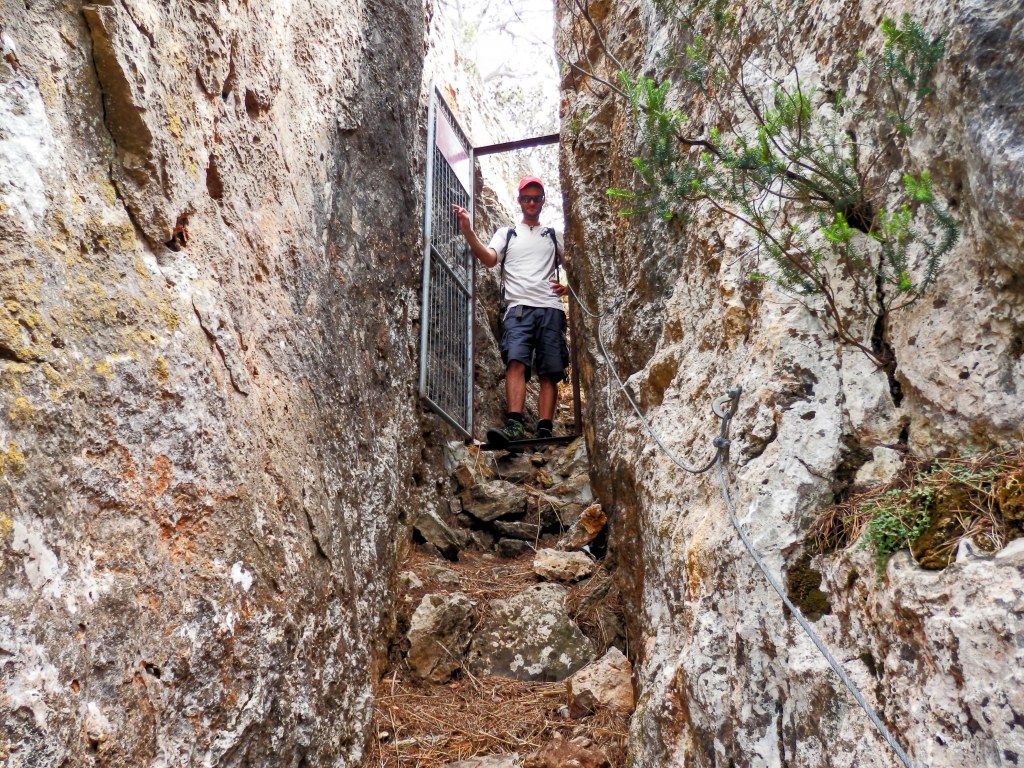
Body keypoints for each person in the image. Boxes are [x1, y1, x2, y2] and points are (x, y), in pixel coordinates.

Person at [451, 176, 568, 447]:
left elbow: (575, 265)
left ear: (542, 200)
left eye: (535, 198)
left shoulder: (553, 234)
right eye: (526, 198)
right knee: (516, 361)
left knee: (550, 370)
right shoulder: (508, 233)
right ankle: (514, 425)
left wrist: (567, 288)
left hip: (550, 307)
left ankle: (545, 430)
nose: (530, 202)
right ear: (519, 200)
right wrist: (468, 231)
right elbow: (490, 259)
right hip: (516, 309)